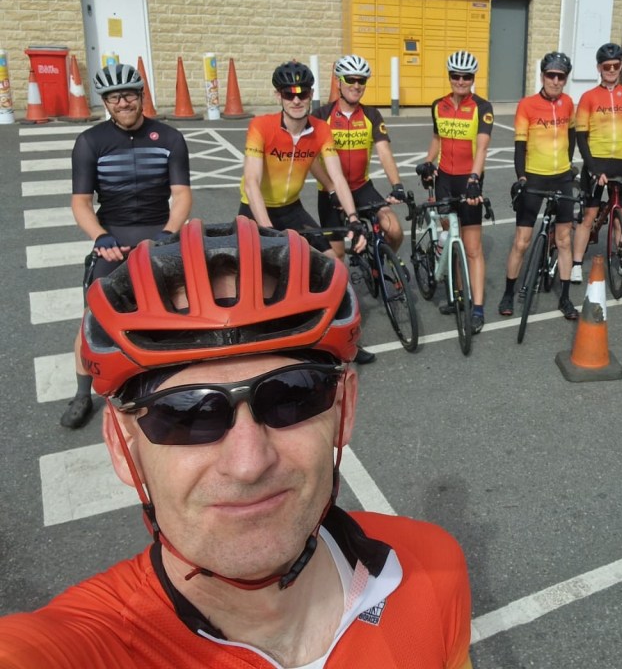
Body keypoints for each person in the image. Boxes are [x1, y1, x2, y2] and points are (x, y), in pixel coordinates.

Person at [0, 218, 474, 668]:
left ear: (344, 409)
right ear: (122, 444)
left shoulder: (432, 568)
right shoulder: (86, 646)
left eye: (291, 395)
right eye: (187, 413)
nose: (249, 463)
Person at [64, 63, 192, 430]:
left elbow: (182, 195)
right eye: (114, 98)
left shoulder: (169, 138)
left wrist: (168, 233)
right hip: (113, 239)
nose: (123, 103)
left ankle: (178, 383)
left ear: (141, 96)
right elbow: (81, 202)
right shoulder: (90, 142)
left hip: (159, 233)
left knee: (181, 309)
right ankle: (82, 394)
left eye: (129, 95)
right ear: (105, 102)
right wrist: (100, 236)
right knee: (92, 317)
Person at [239, 61, 374, 365]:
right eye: (289, 94)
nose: (297, 99)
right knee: (261, 279)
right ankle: (265, 344)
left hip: (291, 208)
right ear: (279, 96)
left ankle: (346, 338)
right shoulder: (261, 126)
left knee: (334, 263)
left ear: (311, 94)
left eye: (303, 93)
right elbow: (251, 182)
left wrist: (353, 219)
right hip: (255, 210)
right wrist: (267, 229)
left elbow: (337, 178)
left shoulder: (321, 130)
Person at [417, 50, 493, 334]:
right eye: (455, 76)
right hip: (444, 180)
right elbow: (437, 138)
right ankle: (459, 295)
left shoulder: (482, 107)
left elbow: (482, 147)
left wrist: (474, 178)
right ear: (449, 76)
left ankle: (477, 308)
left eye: (466, 77)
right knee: (451, 237)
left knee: (472, 248)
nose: (461, 81)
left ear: (473, 78)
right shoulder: (439, 105)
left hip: (468, 181)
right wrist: (428, 161)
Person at [498, 51, 578, 320]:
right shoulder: (527, 105)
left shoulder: (568, 103)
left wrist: (569, 165)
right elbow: (519, 146)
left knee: (564, 240)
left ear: (565, 79)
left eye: (560, 76)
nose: (555, 81)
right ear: (543, 76)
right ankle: (508, 292)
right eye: (551, 75)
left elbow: (572, 136)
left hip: (562, 177)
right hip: (534, 176)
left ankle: (565, 297)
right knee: (522, 241)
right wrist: (521, 177)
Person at [312, 55, 406, 256]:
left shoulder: (371, 115)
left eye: (361, 80)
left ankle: (380, 264)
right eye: (350, 79)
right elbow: (310, 159)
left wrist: (397, 185)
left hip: (362, 188)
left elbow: (384, 152)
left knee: (395, 231)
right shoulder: (320, 116)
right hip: (330, 194)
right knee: (337, 256)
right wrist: (330, 188)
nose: (356, 85)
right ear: (338, 82)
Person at [570, 42, 622, 284]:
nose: (611, 70)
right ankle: (576, 264)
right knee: (589, 216)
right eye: (606, 66)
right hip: (596, 162)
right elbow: (581, 137)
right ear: (599, 68)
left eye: (615, 65)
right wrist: (592, 168)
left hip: (621, 163)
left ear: (621, 66)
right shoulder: (588, 97)